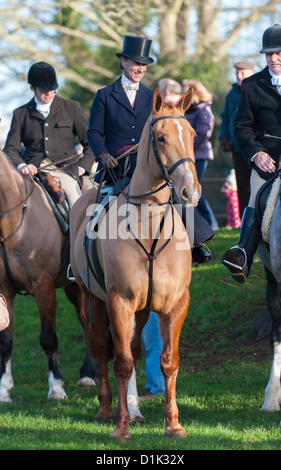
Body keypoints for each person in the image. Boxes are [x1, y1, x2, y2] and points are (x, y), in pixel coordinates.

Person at [88, 39, 214, 264]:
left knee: (176, 194)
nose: (140, 68)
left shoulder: (152, 97)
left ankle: (196, 243)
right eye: (136, 62)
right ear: (123, 61)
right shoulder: (105, 95)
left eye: (144, 65)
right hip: (116, 166)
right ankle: (85, 253)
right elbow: (94, 133)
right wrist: (103, 155)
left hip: (147, 164)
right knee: (99, 211)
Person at [222, 24, 281, 283]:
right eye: (269, 54)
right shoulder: (252, 85)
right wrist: (257, 153)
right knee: (255, 198)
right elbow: (242, 127)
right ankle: (242, 254)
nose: (274, 59)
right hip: (267, 159)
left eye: (278, 53)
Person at [4, 62, 94, 208]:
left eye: (51, 89)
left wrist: (81, 167)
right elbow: (10, 149)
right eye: (43, 90)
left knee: (76, 203)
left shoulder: (71, 108)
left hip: (64, 170)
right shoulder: (21, 113)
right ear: (32, 88)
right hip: (32, 171)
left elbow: (92, 143)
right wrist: (21, 166)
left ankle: (82, 230)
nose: (48, 93)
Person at [219, 60, 255, 219]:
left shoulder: (258, 89)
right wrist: (223, 137)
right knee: (242, 186)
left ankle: (260, 220)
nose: (239, 76)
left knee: (257, 184)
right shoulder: (231, 94)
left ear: (251, 73)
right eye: (237, 73)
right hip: (237, 147)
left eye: (243, 73)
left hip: (256, 146)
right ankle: (244, 224)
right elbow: (225, 117)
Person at [183, 79, 219, 231]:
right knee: (190, 189)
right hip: (189, 155)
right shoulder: (189, 110)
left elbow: (203, 134)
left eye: (186, 91)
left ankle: (210, 222)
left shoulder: (203, 111)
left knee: (194, 189)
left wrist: (184, 146)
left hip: (199, 155)